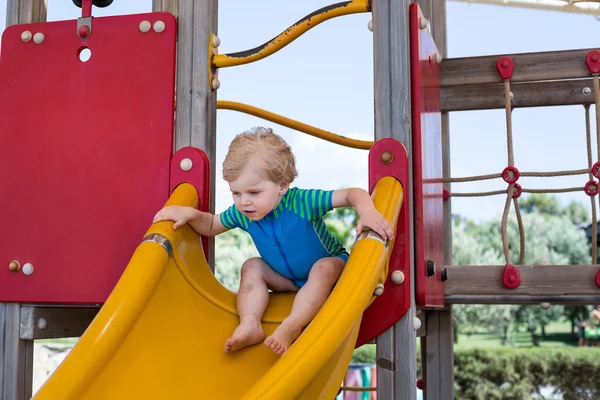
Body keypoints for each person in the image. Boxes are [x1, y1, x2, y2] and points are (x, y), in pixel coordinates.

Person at [153, 127, 394, 355]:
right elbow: (211, 225)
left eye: (253, 193)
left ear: (282, 185)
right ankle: (250, 323)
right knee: (252, 266)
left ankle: (292, 325)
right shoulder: (242, 214)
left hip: (331, 274)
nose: (243, 201)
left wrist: (367, 212)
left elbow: (353, 194)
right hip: (288, 280)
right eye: (236, 193)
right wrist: (190, 214)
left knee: (324, 267)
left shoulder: (302, 202)